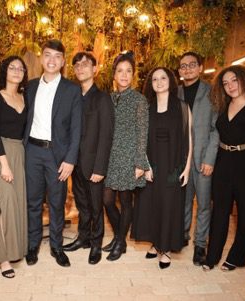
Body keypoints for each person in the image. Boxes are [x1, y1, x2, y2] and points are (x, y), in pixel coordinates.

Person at [202, 65, 245, 271]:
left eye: (234, 80)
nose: (230, 86)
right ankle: (212, 257)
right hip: (223, 162)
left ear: (244, 80)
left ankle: (237, 257)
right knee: (219, 211)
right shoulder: (222, 107)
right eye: (225, 83)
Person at [24, 40, 82, 268]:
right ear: (41, 58)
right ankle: (32, 245)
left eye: (57, 56)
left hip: (57, 156)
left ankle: (57, 247)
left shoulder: (72, 89)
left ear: (63, 61)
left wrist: (70, 159)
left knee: (57, 203)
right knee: (33, 202)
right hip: (32, 151)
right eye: (47, 55)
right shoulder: (28, 86)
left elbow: (77, 128)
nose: (51, 60)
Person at [132, 67, 192, 269]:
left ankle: (165, 249)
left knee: (168, 206)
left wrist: (188, 167)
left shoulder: (183, 107)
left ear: (171, 81)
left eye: (163, 78)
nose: (159, 82)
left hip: (174, 165)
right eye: (154, 79)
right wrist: (145, 165)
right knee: (151, 205)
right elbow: (140, 140)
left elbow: (189, 139)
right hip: (152, 164)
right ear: (150, 83)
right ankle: (155, 243)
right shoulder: (146, 108)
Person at [62, 52, 114, 265]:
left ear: (95, 69)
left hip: (94, 165)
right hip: (76, 163)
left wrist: (100, 168)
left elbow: (106, 135)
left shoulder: (102, 98)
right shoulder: (73, 97)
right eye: (77, 65)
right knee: (82, 204)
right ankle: (83, 237)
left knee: (95, 206)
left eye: (86, 64)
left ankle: (96, 243)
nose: (81, 68)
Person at [103, 51, 150, 261]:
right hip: (110, 157)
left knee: (126, 201)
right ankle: (119, 236)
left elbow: (143, 132)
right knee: (107, 200)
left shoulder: (139, 100)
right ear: (114, 74)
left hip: (129, 157)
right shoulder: (109, 98)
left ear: (133, 75)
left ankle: (120, 242)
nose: (124, 75)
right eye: (120, 71)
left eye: (128, 71)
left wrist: (140, 162)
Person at [0, 56, 29, 277]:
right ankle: (3, 259)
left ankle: (16, 250)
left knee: (18, 203)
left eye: (20, 68)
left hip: (19, 154)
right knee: (6, 203)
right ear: (5, 71)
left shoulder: (24, 97)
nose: (16, 71)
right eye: (12, 67)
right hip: (0, 155)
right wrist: (4, 164)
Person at [178, 52, 219, 266]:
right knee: (183, 201)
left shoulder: (211, 92)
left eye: (192, 65)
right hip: (182, 160)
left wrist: (210, 159)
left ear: (200, 67)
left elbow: (215, 129)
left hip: (203, 159)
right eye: (183, 66)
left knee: (203, 204)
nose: (188, 69)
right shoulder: (175, 92)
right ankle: (183, 235)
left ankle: (200, 243)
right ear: (179, 71)